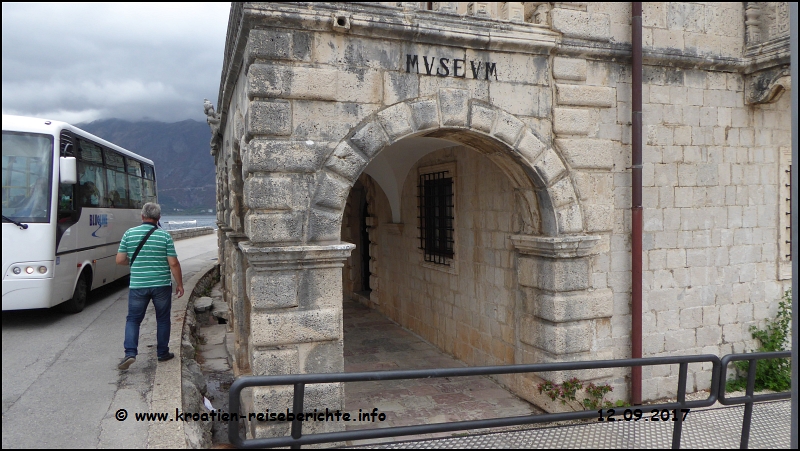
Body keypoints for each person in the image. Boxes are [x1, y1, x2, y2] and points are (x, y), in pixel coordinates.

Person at [116, 202, 184, 370]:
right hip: (161, 285)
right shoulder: (164, 236)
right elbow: (173, 263)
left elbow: (119, 260)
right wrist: (179, 284)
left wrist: (134, 262)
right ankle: (162, 353)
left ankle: (130, 353)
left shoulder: (129, 234)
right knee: (162, 319)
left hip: (138, 285)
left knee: (133, 319)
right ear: (159, 218)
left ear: (142, 216)